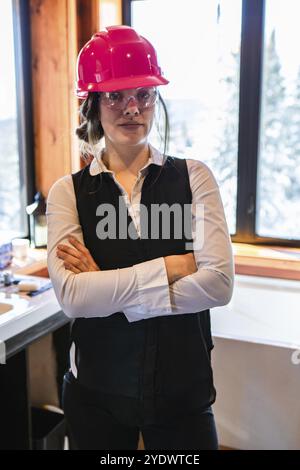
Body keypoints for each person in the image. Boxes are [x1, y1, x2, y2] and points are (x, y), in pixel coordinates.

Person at [46, 25, 234, 450]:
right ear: (93, 105)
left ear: (156, 99)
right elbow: (74, 297)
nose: (132, 108)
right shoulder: (68, 193)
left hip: (183, 393)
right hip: (96, 394)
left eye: (143, 95)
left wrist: (108, 290)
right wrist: (174, 267)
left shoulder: (194, 177)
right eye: (115, 96)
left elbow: (219, 285)